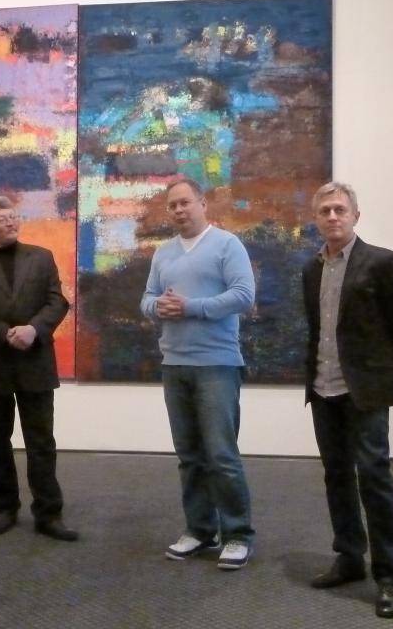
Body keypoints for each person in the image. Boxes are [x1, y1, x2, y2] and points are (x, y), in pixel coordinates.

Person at [302, 182, 393, 618]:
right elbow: (316, 329)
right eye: (325, 211)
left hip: (364, 391)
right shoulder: (311, 269)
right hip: (323, 387)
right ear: (316, 219)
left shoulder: (381, 262)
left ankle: (388, 573)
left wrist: (376, 371)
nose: (333, 216)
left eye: (340, 209)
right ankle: (349, 557)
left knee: (373, 476)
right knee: (336, 475)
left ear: (355, 216)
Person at [140, 177, 256, 570]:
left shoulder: (226, 245)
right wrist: (158, 307)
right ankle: (201, 529)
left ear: (203, 204)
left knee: (221, 455)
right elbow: (147, 298)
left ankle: (237, 534)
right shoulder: (163, 253)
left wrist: (191, 307)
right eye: (172, 205)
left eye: (185, 202)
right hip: (174, 365)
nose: (179, 210)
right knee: (189, 456)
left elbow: (244, 295)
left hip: (217, 364)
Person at [0, 195, 77, 541]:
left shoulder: (41, 257)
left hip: (35, 360)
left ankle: (49, 513)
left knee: (41, 441)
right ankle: (4, 508)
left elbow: (57, 301)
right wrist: (4, 334)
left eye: (12, 217)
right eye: (1, 219)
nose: (10, 222)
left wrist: (33, 329)